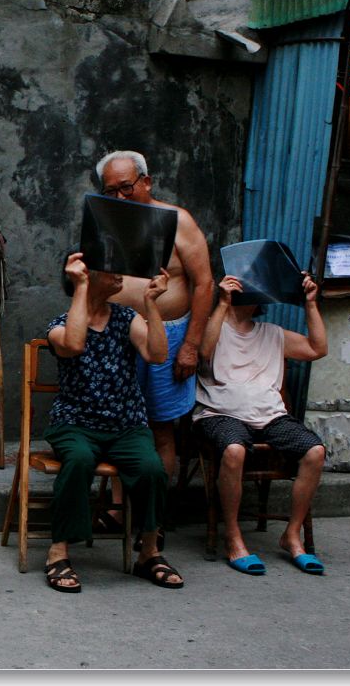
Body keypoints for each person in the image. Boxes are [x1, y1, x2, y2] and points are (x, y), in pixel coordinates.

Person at [43, 252, 184, 593]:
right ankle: (58, 551)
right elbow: (75, 344)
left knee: (151, 468)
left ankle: (149, 552)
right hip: (75, 422)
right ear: (88, 276)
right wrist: (80, 287)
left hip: (125, 423)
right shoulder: (59, 326)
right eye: (110, 268)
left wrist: (152, 303)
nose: (121, 273)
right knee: (77, 460)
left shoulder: (126, 318)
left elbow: (158, 355)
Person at [94, 150, 214, 547]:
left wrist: (192, 346)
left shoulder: (179, 223)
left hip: (172, 333)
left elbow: (204, 284)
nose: (121, 197)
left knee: (160, 427)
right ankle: (115, 509)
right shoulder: (105, 222)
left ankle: (153, 519)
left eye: (127, 187)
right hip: (118, 334)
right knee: (115, 421)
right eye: (111, 190)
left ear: (146, 181)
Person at [194, 272, 328, 575]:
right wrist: (222, 303)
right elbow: (203, 352)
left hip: (270, 416)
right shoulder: (214, 327)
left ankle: (292, 535)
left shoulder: (273, 333)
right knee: (234, 450)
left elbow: (317, 349)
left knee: (315, 452)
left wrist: (310, 304)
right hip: (219, 414)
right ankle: (233, 536)